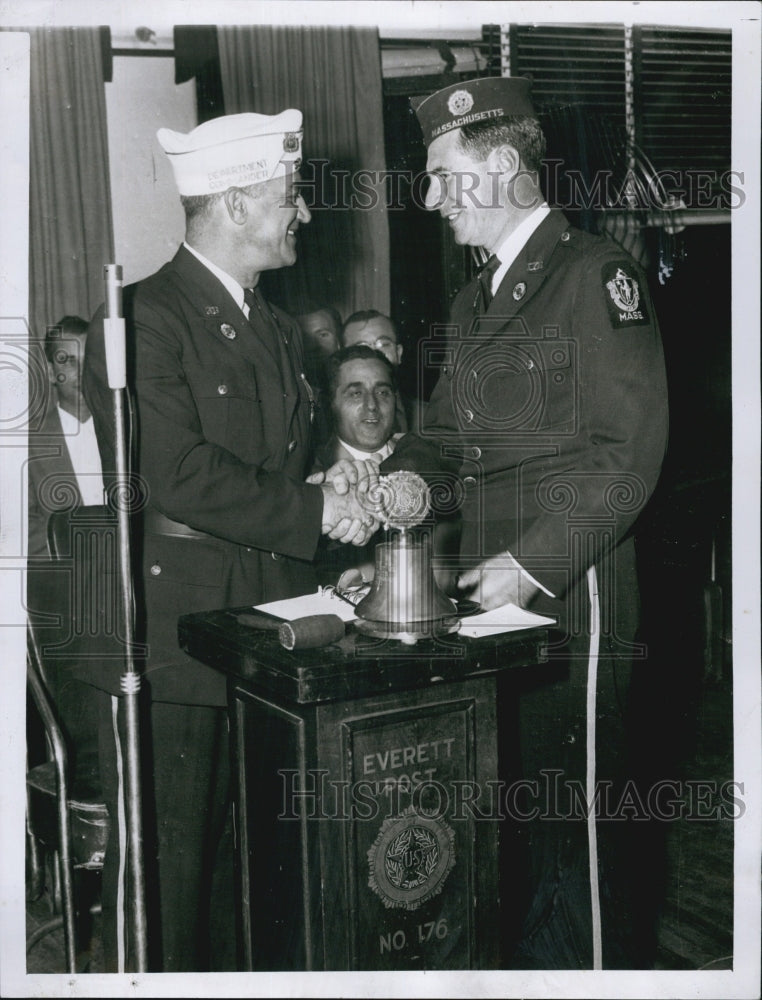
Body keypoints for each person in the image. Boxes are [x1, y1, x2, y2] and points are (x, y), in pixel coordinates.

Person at [82, 109, 379, 972]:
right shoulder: (139, 319)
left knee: (252, 880)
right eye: (290, 195)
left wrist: (325, 491)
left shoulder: (281, 329)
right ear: (239, 202)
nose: (304, 213)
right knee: (170, 884)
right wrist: (309, 511)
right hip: (175, 639)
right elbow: (171, 472)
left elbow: (279, 466)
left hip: (269, 627)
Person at [382, 76, 669, 969]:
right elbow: (439, 443)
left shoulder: (594, 277)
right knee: (514, 830)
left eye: (441, 173)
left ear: (503, 164)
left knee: (574, 839)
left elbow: (629, 457)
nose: (429, 197)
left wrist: (530, 566)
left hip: (566, 599)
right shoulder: (475, 302)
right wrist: (395, 495)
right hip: (491, 604)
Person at [313, 344, 401, 586]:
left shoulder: (420, 460)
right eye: (355, 393)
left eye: (383, 392)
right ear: (330, 403)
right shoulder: (313, 472)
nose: (372, 405)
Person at [27, 316, 104, 556]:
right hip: (63, 580)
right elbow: (19, 528)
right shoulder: (27, 444)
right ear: (51, 372)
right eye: (68, 361)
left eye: (87, 360)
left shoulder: (126, 431)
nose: (81, 373)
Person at [341, 309, 424, 433]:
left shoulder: (427, 417)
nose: (375, 354)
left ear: (399, 353)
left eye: (383, 344)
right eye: (362, 347)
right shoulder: (328, 419)